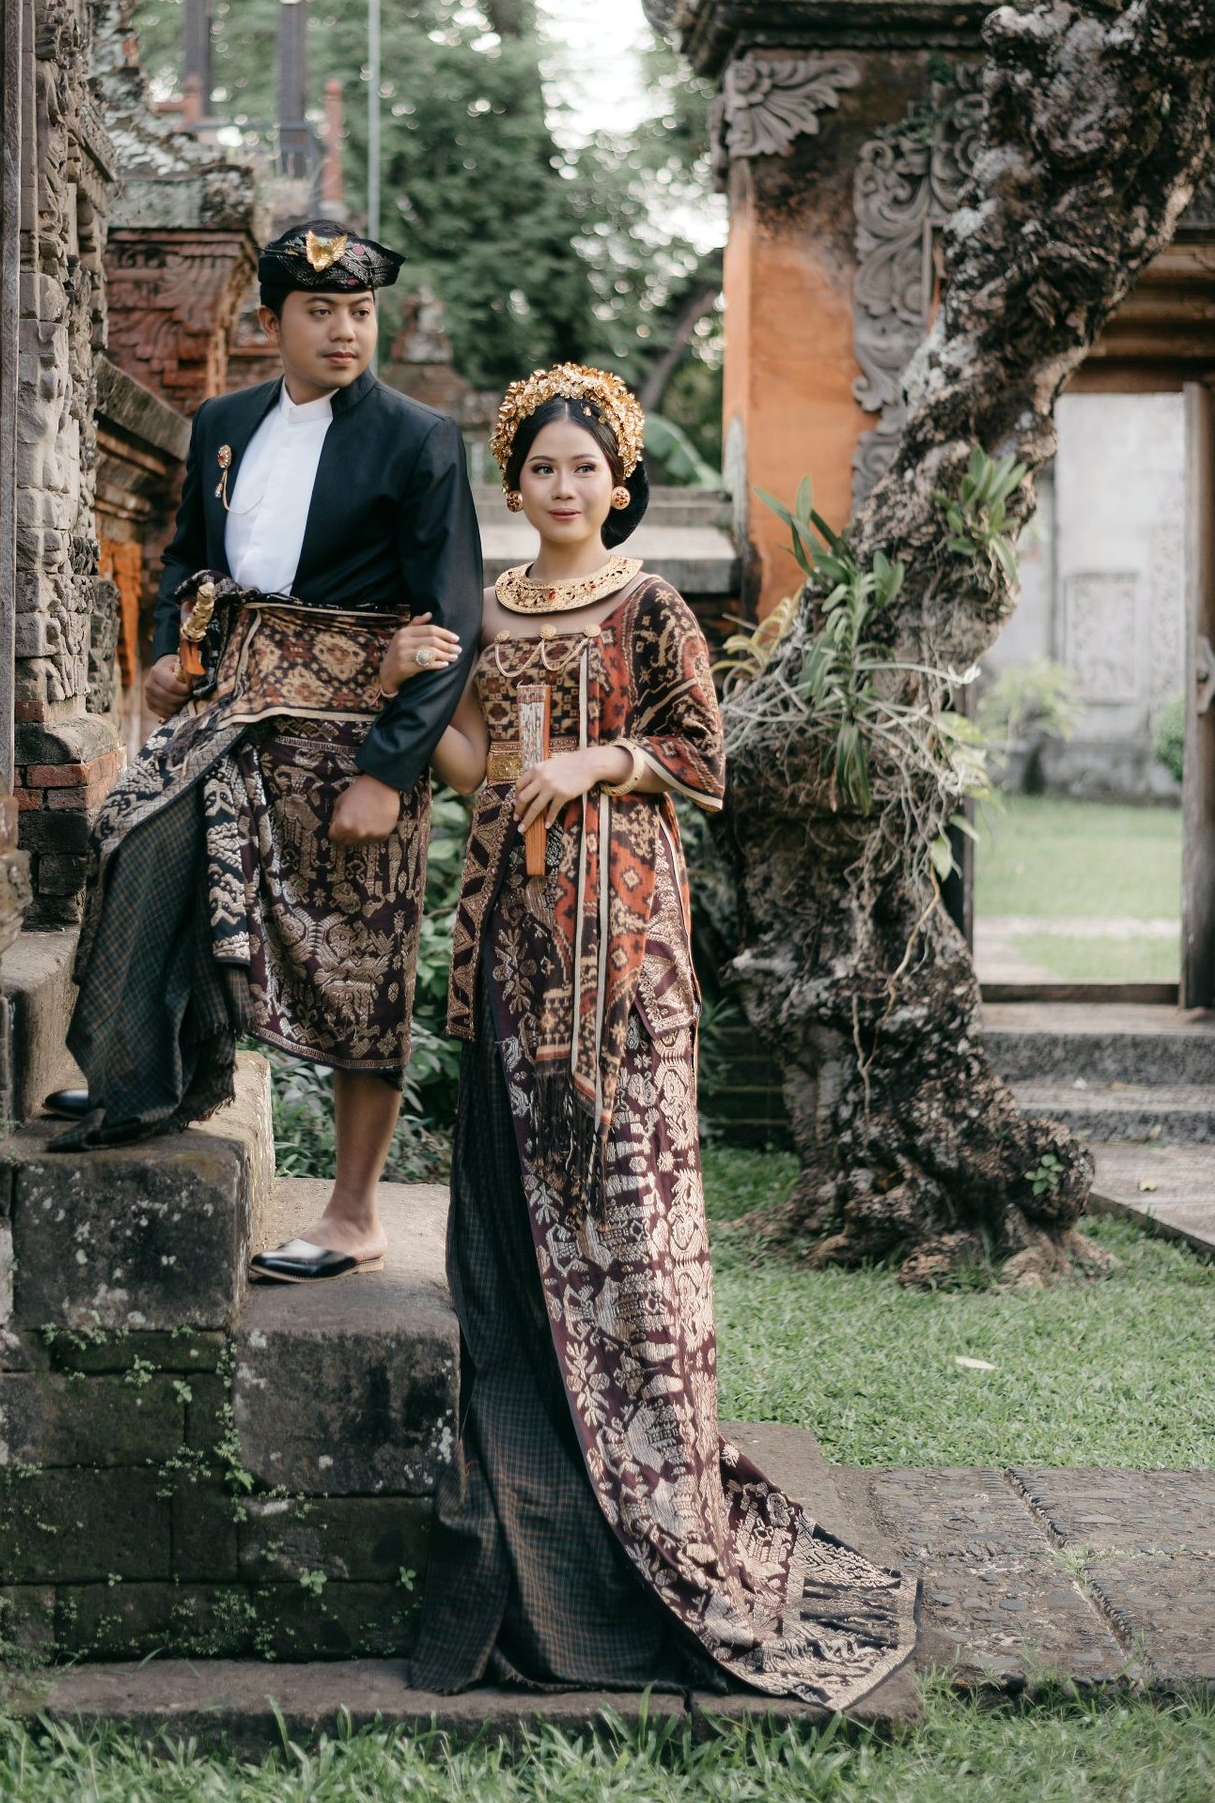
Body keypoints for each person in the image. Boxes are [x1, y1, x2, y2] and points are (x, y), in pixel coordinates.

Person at [381, 363, 915, 1706]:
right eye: (541, 468)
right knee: (514, 1202)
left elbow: (703, 759)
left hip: (624, 946)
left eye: (585, 468)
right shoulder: (490, 608)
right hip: (511, 932)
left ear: (619, 484)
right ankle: (543, 1489)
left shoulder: (650, 604)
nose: (564, 487)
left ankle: (657, 1480)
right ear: (514, 483)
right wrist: (425, 697)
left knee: (627, 1204)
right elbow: (479, 773)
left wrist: (597, 759)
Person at [51, 221, 482, 1288]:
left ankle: (353, 1212)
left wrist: (388, 770)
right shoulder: (222, 424)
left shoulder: (418, 439)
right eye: (320, 311)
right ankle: (138, 1076)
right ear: (270, 321)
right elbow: (186, 561)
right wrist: (169, 654)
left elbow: (451, 619)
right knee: (137, 837)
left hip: (351, 735)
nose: (345, 331)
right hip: (230, 705)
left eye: (360, 312)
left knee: (357, 957)